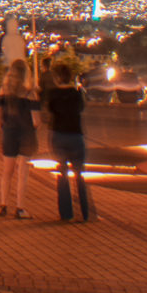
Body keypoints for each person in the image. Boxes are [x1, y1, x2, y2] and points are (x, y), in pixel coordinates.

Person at [44, 59, 94, 222]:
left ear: (57, 78)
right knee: (80, 175)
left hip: (58, 135)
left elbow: (50, 110)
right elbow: (80, 109)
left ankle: (66, 214)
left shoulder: (53, 94)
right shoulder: (77, 94)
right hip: (75, 135)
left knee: (62, 174)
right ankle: (85, 213)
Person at [0, 60, 39, 218]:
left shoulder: (3, 91)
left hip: (9, 133)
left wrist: (5, 128)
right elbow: (36, 121)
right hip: (26, 135)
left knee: (7, 171)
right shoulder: (30, 93)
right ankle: (20, 208)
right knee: (22, 173)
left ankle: (3, 205)